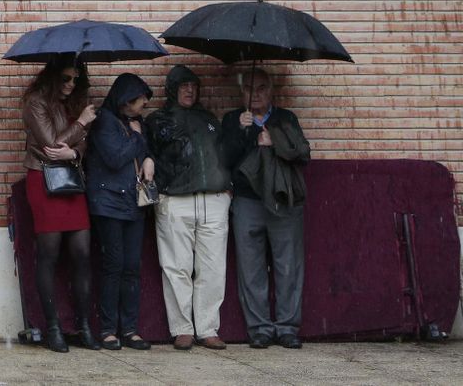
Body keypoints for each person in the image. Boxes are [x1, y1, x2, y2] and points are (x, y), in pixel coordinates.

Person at [220, 70, 310, 350]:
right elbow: (224, 158)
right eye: (248, 88)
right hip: (247, 201)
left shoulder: (286, 118)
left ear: (271, 90)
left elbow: (303, 154)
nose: (255, 94)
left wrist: (276, 143)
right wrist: (242, 131)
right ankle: (259, 329)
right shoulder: (232, 119)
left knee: (288, 265)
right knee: (251, 268)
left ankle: (287, 328)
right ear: (241, 93)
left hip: (284, 202)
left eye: (260, 88)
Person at [146, 64, 231, 351]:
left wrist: (226, 188)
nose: (189, 90)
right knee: (176, 267)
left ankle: (208, 328)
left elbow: (222, 154)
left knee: (213, 268)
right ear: (171, 90)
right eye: (183, 86)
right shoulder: (158, 120)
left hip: (214, 200)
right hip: (175, 200)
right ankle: (182, 328)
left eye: (193, 86)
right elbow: (146, 155)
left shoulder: (209, 118)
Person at [21, 58, 98, 353]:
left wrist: (75, 154)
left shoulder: (72, 102)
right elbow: (52, 147)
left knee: (81, 252)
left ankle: (83, 326)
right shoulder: (35, 103)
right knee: (48, 254)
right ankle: (53, 328)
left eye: (76, 80)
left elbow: (79, 146)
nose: (70, 85)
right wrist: (80, 123)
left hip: (72, 181)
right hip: (43, 181)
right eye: (66, 78)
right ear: (52, 76)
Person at [85, 74, 155, 352]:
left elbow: (146, 149)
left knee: (132, 267)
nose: (144, 106)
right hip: (108, 203)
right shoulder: (104, 121)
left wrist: (149, 157)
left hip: (133, 204)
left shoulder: (135, 124)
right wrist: (138, 141)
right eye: (140, 101)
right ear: (126, 101)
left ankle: (129, 328)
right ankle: (107, 329)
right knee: (113, 266)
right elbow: (115, 157)